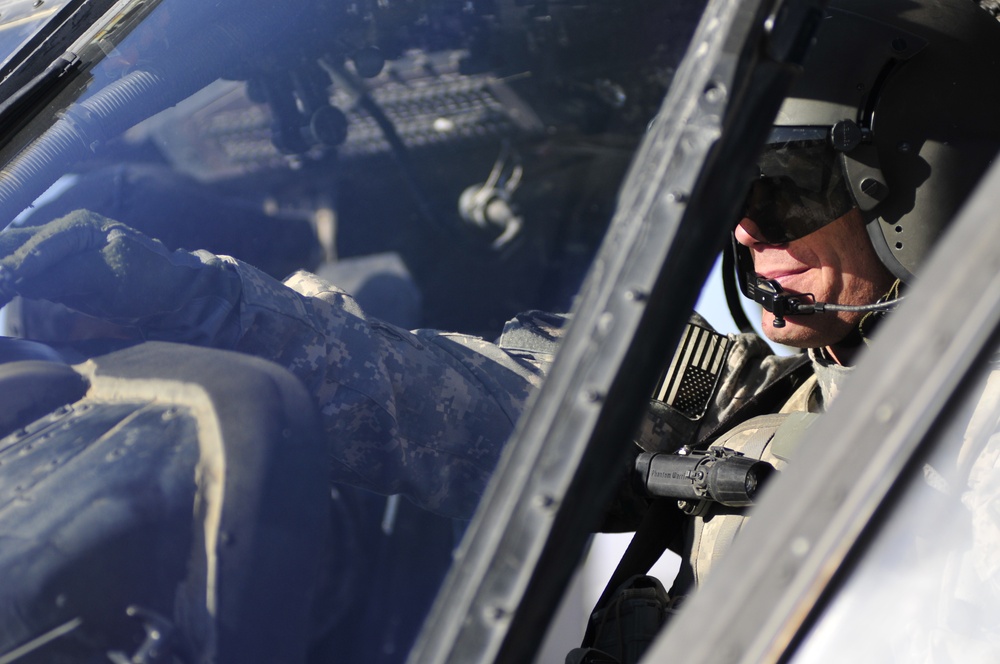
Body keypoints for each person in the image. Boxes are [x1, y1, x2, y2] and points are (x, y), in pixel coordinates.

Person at [0, 0, 998, 660]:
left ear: (919, 193)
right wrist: (190, 301)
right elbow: (453, 402)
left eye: (781, 189)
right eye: (730, 186)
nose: (738, 228)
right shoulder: (746, 382)